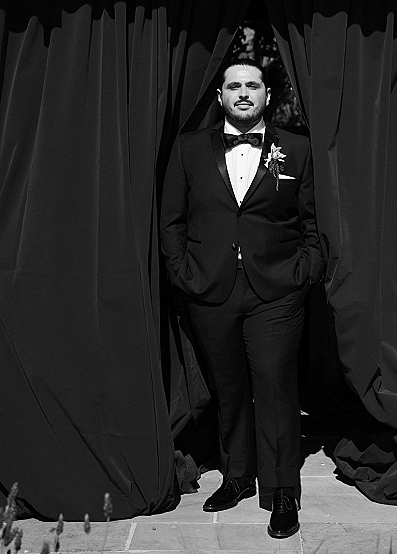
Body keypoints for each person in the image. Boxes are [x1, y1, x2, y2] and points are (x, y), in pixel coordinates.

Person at [160, 58, 325, 539]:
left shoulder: (296, 149)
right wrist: (182, 271)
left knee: (275, 386)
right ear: (221, 97)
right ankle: (237, 477)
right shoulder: (189, 149)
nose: (245, 92)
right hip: (210, 289)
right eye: (235, 86)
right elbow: (172, 220)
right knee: (228, 387)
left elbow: (313, 224)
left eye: (253, 85)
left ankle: (281, 494)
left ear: (267, 96)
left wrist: (303, 271)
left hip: (276, 290)